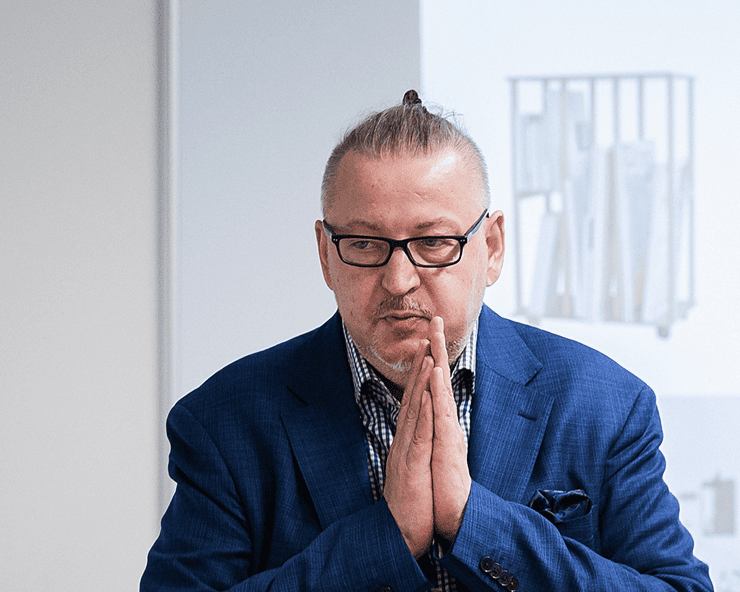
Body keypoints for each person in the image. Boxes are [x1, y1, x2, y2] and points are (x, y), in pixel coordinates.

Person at [141, 91, 713, 591]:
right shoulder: (225, 421)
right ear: (324, 254)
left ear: (492, 248)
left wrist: (475, 521)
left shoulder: (605, 404)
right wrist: (385, 537)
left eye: (434, 243)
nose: (398, 280)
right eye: (364, 244)